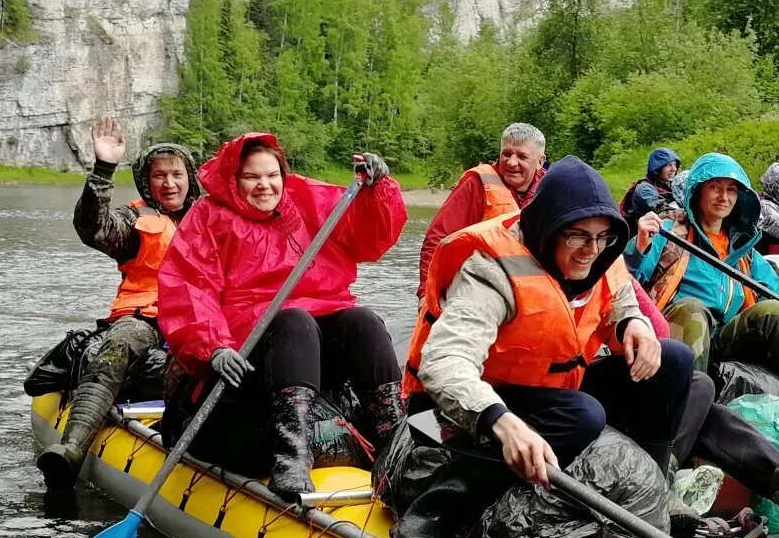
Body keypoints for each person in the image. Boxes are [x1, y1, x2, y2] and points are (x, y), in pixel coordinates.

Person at [389, 157, 779, 538]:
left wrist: (632, 326)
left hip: (553, 394)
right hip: (465, 410)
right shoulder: (491, 269)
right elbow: (444, 362)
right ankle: (443, 504)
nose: (591, 251)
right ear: (547, 228)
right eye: (577, 236)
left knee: (678, 363)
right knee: (583, 413)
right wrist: (500, 421)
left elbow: (619, 298)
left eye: (602, 238)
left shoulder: (600, 253)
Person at [156, 132, 407, 497]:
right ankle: (292, 455)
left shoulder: (307, 200)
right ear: (235, 179)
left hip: (310, 340)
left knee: (363, 321)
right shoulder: (209, 216)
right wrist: (214, 346)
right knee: (295, 321)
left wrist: (377, 191)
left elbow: (370, 237)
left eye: (272, 175)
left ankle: (393, 444)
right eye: (252, 177)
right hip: (248, 348)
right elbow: (190, 287)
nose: (264, 186)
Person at [38, 119, 203, 491]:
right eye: (159, 175)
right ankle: (72, 448)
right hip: (144, 317)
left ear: (190, 177)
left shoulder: (212, 218)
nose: (170, 183)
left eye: (177, 174)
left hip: (201, 316)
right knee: (119, 345)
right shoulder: (134, 220)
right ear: (147, 181)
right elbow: (91, 227)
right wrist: (103, 169)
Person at [631, 154, 779, 394]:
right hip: (676, 336)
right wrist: (639, 249)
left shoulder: (746, 252)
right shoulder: (668, 233)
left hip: (725, 338)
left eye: (731, 190)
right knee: (692, 308)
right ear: (697, 192)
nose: (723, 197)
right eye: (714, 187)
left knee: (774, 310)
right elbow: (624, 281)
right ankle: (689, 406)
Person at [418, 123, 548, 293]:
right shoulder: (476, 184)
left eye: (522, 157)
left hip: (532, 291)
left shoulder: (549, 188)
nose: (511, 162)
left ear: (540, 162)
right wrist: (426, 294)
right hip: (477, 287)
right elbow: (438, 240)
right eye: (506, 154)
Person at [620, 146, 682, 230]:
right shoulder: (644, 189)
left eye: (675, 165)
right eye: (669, 165)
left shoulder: (668, 185)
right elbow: (660, 208)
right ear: (657, 168)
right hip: (640, 235)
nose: (674, 169)